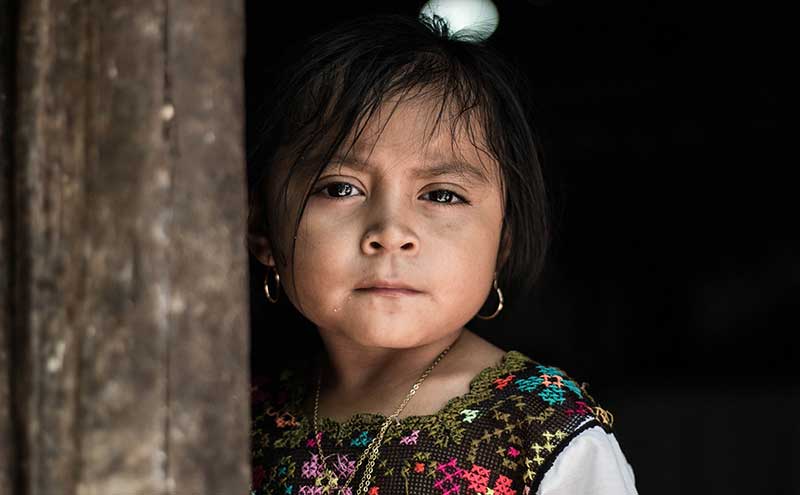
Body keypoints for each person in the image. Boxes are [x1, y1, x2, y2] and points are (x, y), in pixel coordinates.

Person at [246, 13, 637, 495]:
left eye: (442, 195)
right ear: (262, 228)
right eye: (341, 187)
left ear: (504, 238)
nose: (391, 233)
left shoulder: (539, 431)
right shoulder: (234, 422)